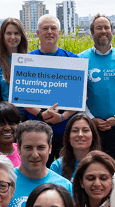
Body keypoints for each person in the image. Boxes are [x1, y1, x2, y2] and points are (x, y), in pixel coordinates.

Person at [79, 14, 115, 162]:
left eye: (107, 27)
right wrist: (91, 119)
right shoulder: (80, 59)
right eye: (99, 28)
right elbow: (77, 96)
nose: (103, 31)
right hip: (91, 127)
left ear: (112, 31)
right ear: (92, 33)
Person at [24, 14, 82, 154]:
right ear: (37, 33)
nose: (49, 31)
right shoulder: (27, 61)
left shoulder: (73, 59)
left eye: (53, 28)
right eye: (45, 28)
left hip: (66, 128)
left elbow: (81, 96)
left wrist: (62, 116)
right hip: (36, 129)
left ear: (59, 33)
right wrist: (41, 114)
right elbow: (22, 95)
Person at [9, 121, 73, 207]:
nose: (35, 154)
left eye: (41, 147)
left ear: (50, 148)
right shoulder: (5, 182)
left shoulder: (65, 186)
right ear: (18, 148)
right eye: (28, 148)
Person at [0, 18, 28, 105]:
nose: (13, 37)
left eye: (16, 33)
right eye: (9, 33)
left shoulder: (29, 60)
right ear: (2, 36)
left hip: (29, 114)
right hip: (5, 115)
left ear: (22, 36)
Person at [51, 114, 102, 180]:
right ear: (68, 137)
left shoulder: (104, 164)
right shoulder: (57, 166)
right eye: (75, 131)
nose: (80, 134)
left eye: (85, 130)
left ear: (93, 136)